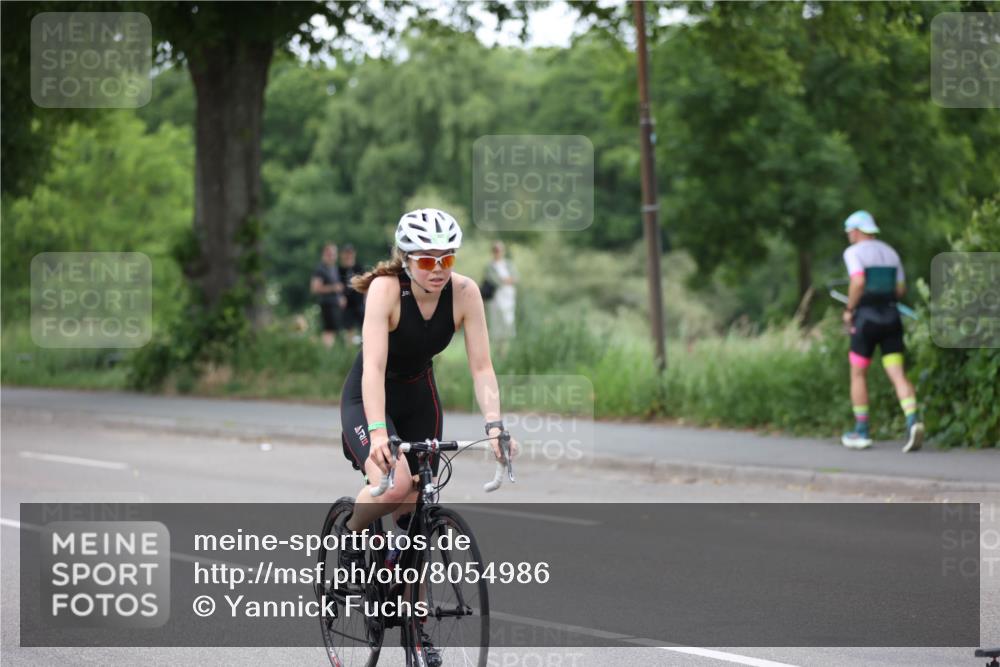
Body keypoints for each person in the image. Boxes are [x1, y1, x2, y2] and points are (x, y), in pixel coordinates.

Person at [338, 209, 519, 661]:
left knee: (417, 513)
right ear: (405, 259)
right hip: (370, 398)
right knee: (394, 484)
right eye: (425, 261)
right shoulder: (385, 290)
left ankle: (416, 630)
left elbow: (482, 367)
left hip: (420, 397)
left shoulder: (465, 293)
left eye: (446, 259)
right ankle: (350, 536)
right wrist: (378, 434)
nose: (437, 270)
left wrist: (494, 425)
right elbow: (373, 368)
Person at [839, 211, 924, 452]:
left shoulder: (853, 252)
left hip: (866, 320)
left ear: (857, 231)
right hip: (891, 318)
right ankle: (912, 420)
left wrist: (849, 309)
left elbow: (858, 282)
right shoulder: (891, 253)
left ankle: (861, 431)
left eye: (849, 232)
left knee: (858, 373)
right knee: (897, 373)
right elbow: (900, 290)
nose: (848, 236)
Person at [310, 243, 346, 348]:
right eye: (330, 254)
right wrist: (333, 288)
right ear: (325, 254)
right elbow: (315, 288)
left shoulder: (333, 268)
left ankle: (329, 351)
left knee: (333, 331)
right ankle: (326, 352)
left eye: (334, 254)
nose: (332, 257)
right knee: (328, 331)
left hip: (334, 304)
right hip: (326, 304)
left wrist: (340, 297)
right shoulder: (320, 269)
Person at [484, 241, 518, 343]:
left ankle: (506, 342)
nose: (498, 252)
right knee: (496, 320)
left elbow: (516, 277)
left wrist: (505, 280)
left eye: (499, 250)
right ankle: (497, 343)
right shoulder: (490, 266)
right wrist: (506, 280)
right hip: (496, 296)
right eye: (496, 250)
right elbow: (494, 280)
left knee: (508, 319)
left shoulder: (508, 264)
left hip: (508, 295)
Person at [339, 244, 365, 345]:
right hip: (347, 305)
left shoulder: (359, 268)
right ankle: (349, 349)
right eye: (346, 253)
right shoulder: (339, 270)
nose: (348, 256)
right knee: (349, 329)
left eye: (350, 253)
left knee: (364, 325)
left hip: (359, 302)